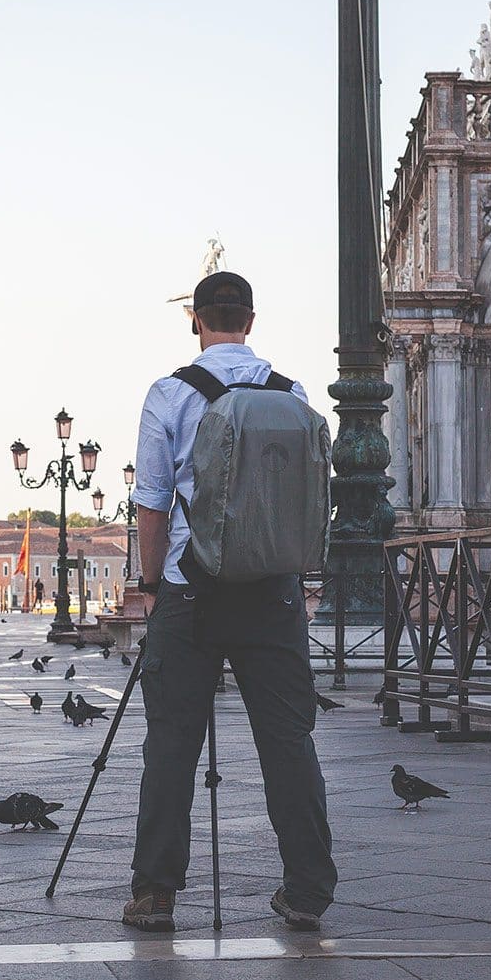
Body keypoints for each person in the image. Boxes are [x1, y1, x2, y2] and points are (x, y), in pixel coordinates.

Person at [122, 270, 336, 934]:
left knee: (172, 742)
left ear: (196, 319)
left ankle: (156, 893)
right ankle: (306, 889)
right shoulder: (291, 394)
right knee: (288, 741)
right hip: (272, 589)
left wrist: (152, 585)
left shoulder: (169, 394)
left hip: (192, 588)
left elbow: (151, 506)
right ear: (251, 318)